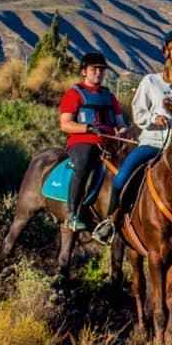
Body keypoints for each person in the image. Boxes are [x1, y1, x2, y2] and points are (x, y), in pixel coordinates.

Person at [94, 29, 172, 247]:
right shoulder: (151, 82)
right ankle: (111, 221)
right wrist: (154, 119)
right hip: (153, 143)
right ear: (167, 52)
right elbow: (139, 112)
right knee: (121, 177)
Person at [57, 51, 125, 231]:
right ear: (84, 71)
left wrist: (124, 132)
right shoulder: (74, 94)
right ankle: (72, 214)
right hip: (83, 141)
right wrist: (86, 128)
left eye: (102, 70)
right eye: (94, 69)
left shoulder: (109, 97)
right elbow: (65, 124)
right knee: (84, 163)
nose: (98, 73)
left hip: (109, 143)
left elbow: (120, 123)